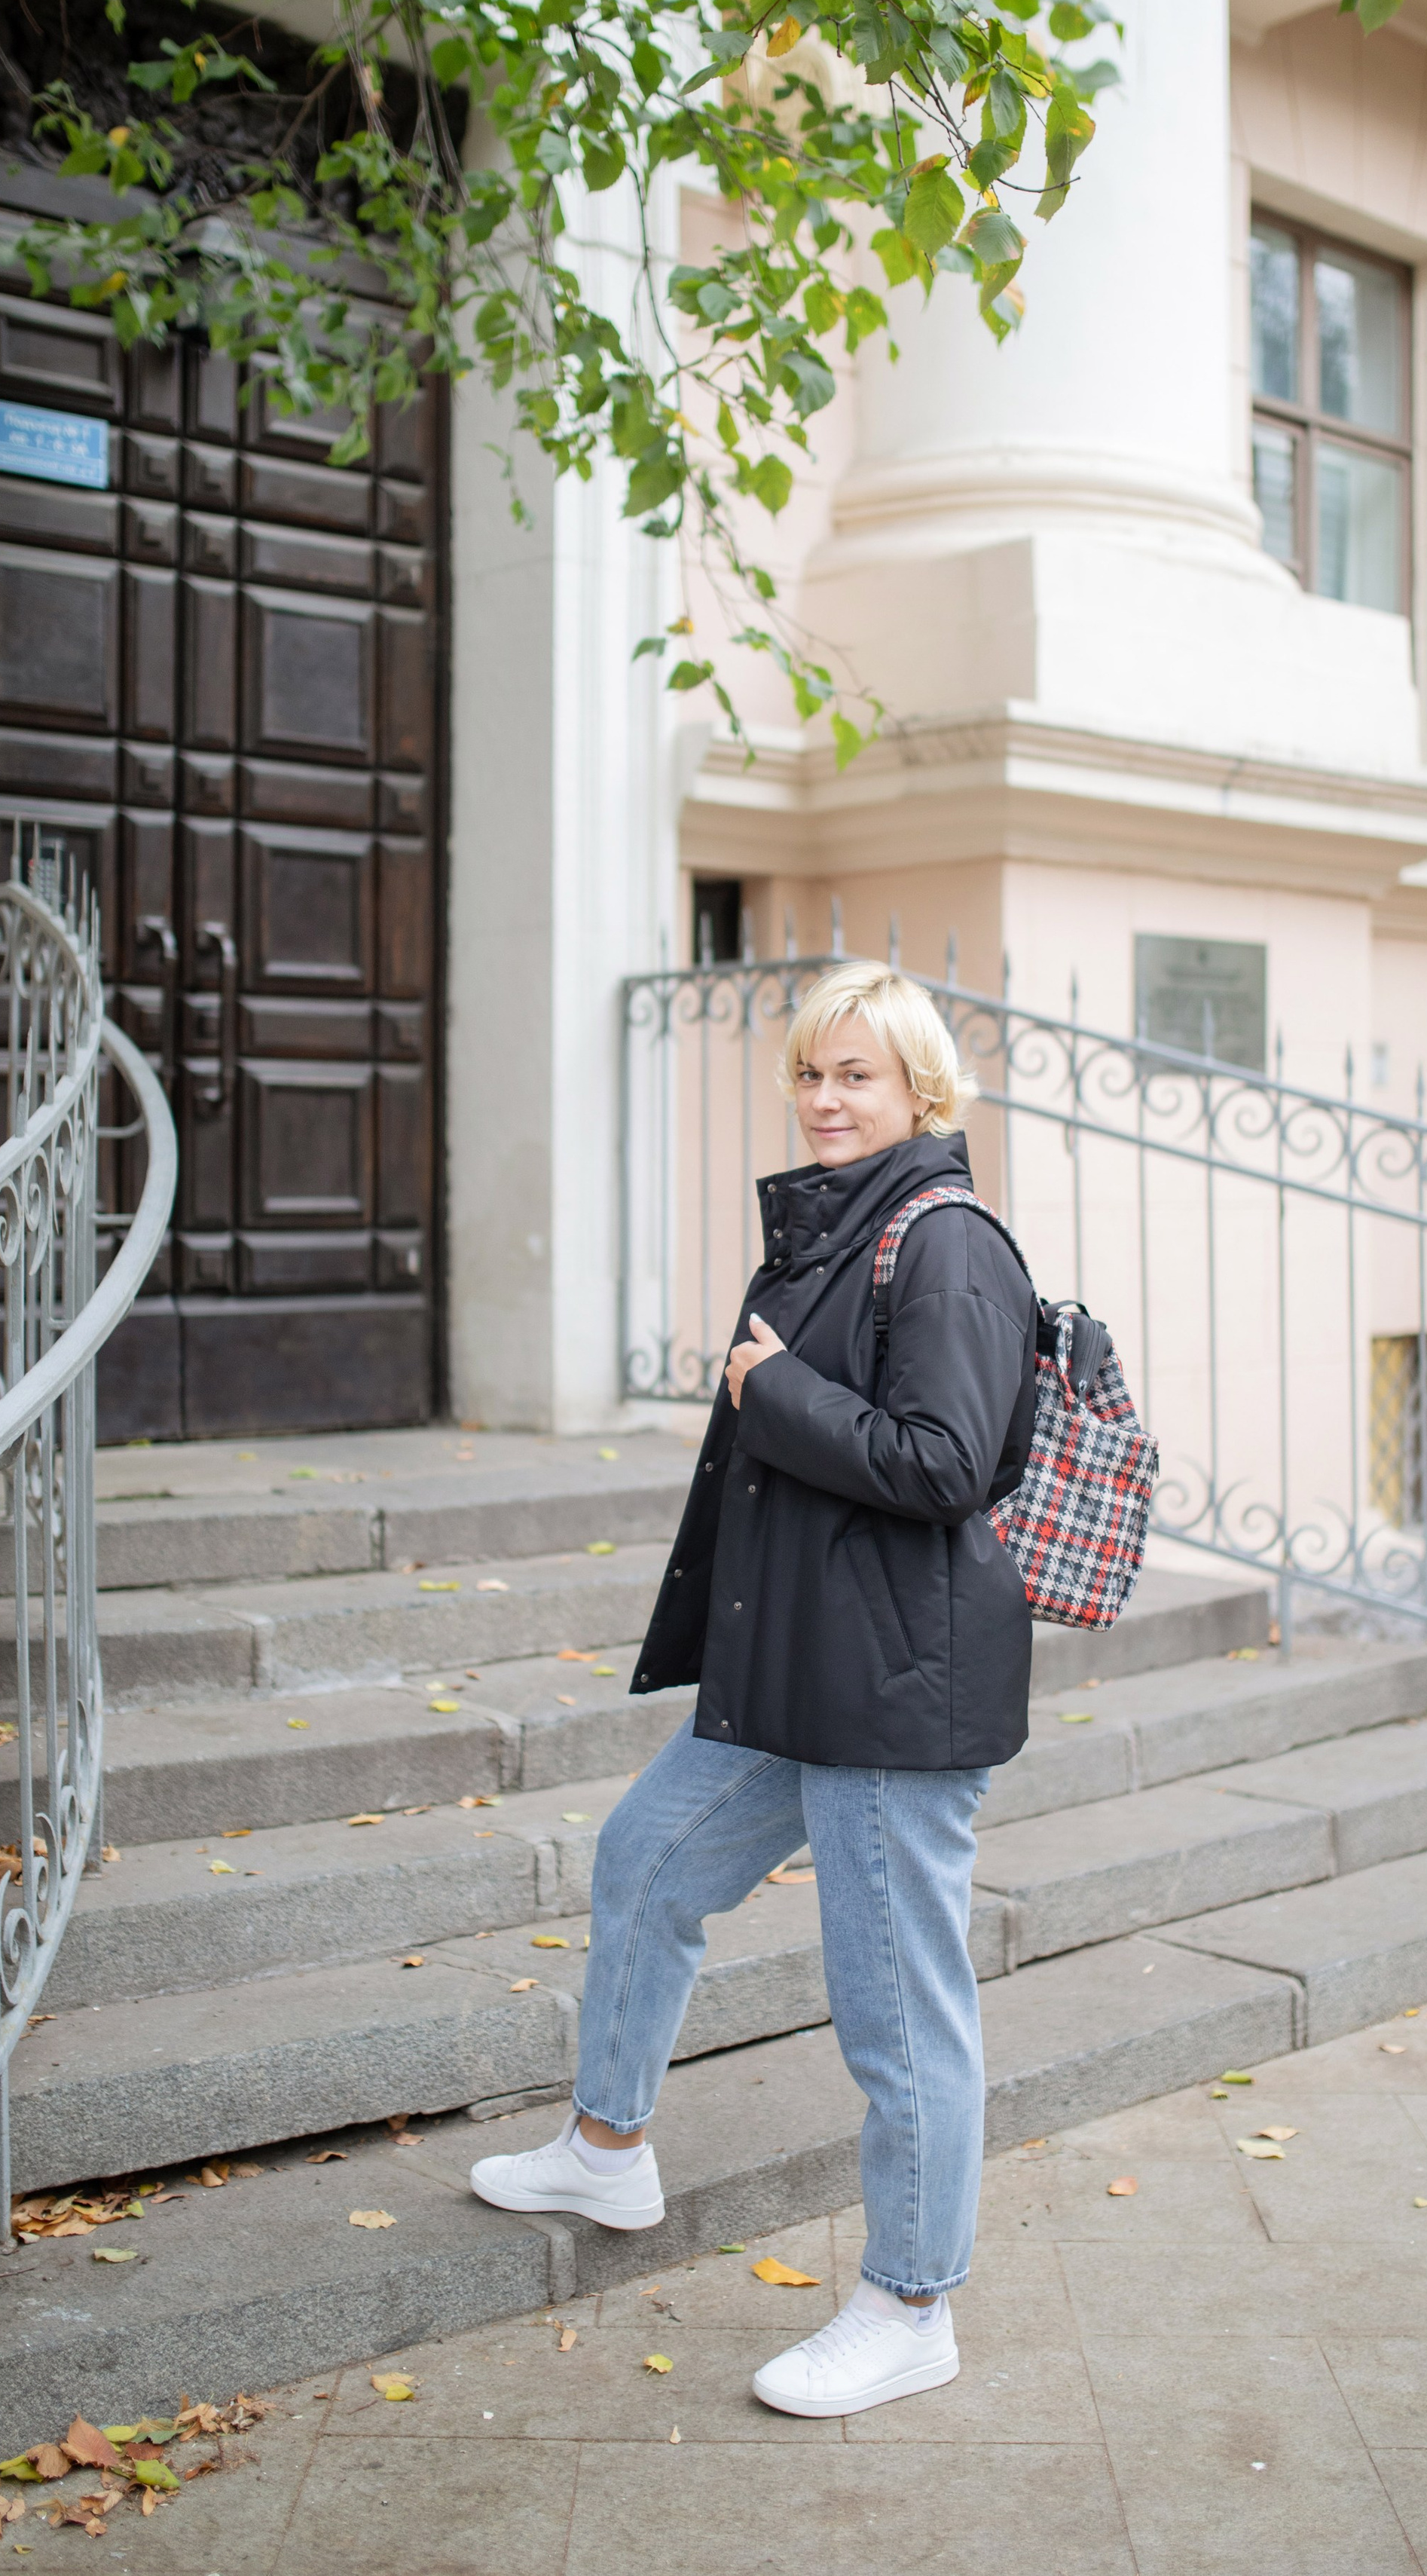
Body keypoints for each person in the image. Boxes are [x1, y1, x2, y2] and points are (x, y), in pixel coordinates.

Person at [469, 960, 1040, 2418]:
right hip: (800, 1674)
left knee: (897, 2013)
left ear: (922, 1091)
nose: (826, 1097)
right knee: (644, 1860)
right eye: (809, 1072)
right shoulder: (829, 1236)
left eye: (857, 1075)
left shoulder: (950, 1242)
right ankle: (608, 2154)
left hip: (893, 1695)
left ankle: (912, 2305)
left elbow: (945, 1463)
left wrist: (769, 1389)